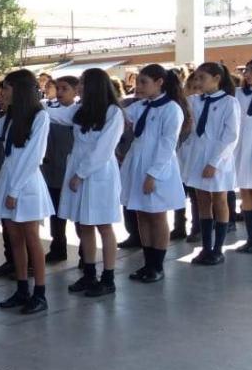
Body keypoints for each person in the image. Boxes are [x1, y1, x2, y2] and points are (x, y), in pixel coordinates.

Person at [0, 70, 53, 315]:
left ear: (19, 89)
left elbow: (33, 156)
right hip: (9, 181)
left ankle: (40, 293)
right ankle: (21, 289)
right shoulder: (9, 117)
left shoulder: (40, 116)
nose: (1, 93)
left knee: (32, 240)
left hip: (25, 184)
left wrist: (15, 190)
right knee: (14, 239)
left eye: (5, 88)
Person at [43, 69, 125, 296]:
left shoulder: (113, 113)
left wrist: (80, 174)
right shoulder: (80, 110)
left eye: (82, 84)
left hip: (98, 174)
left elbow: (103, 149)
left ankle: (108, 278)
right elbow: (57, 116)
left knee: (104, 225)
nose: (78, 88)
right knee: (84, 225)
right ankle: (89, 274)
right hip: (79, 170)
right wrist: (34, 105)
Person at [120, 64, 191, 282]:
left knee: (157, 215)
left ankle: (157, 266)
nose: (138, 86)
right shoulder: (141, 106)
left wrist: (153, 175)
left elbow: (167, 144)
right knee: (142, 213)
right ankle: (147, 262)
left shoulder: (171, 109)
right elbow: (119, 116)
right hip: (137, 163)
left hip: (157, 167)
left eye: (143, 82)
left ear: (159, 83)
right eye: (137, 82)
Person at [184, 63, 241, 265]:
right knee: (202, 201)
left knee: (219, 200)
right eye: (196, 78)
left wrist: (214, 162)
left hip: (219, 159)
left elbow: (230, 136)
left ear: (216, 79)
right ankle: (205, 248)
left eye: (202, 78)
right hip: (198, 158)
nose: (198, 82)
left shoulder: (229, 102)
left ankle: (218, 249)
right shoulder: (194, 101)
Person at [42, 76, 79, 263]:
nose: (60, 92)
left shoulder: (79, 112)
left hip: (73, 169)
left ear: (76, 91)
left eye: (65, 88)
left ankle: (84, 254)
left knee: (80, 215)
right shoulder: (49, 109)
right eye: (58, 88)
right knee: (55, 212)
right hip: (53, 167)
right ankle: (58, 246)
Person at [238, 58, 252, 253]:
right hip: (244, 149)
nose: (247, 74)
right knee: (245, 192)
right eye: (247, 70)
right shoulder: (239, 94)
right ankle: (251, 238)